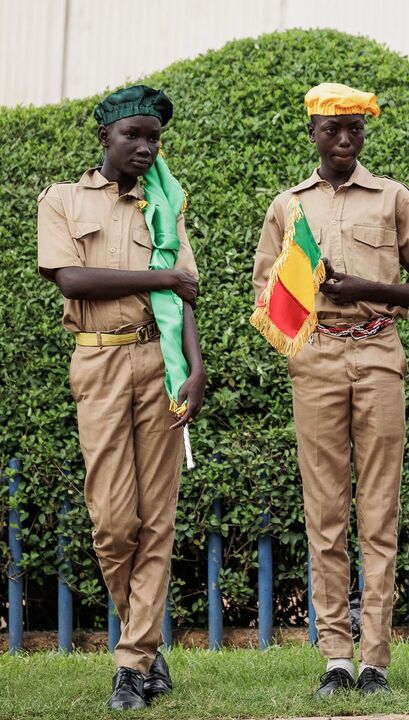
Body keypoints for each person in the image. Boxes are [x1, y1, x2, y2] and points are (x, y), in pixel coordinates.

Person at [252, 82, 409, 698]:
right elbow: (265, 296)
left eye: (354, 130)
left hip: (378, 352)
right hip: (314, 358)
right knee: (325, 512)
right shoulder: (289, 205)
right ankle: (336, 657)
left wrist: (363, 286)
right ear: (312, 131)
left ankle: (375, 662)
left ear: (364, 134)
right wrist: (307, 299)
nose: (343, 140)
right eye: (331, 129)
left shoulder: (392, 198)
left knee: (379, 511)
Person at [37, 85, 206, 710]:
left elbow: (184, 293)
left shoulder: (165, 203)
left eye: (153, 138)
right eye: (132, 135)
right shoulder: (62, 201)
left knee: (157, 518)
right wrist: (158, 276)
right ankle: (147, 641)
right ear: (105, 137)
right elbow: (72, 278)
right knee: (114, 523)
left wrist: (196, 366)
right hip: (99, 360)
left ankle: (132, 661)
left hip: (157, 363)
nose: (144, 147)